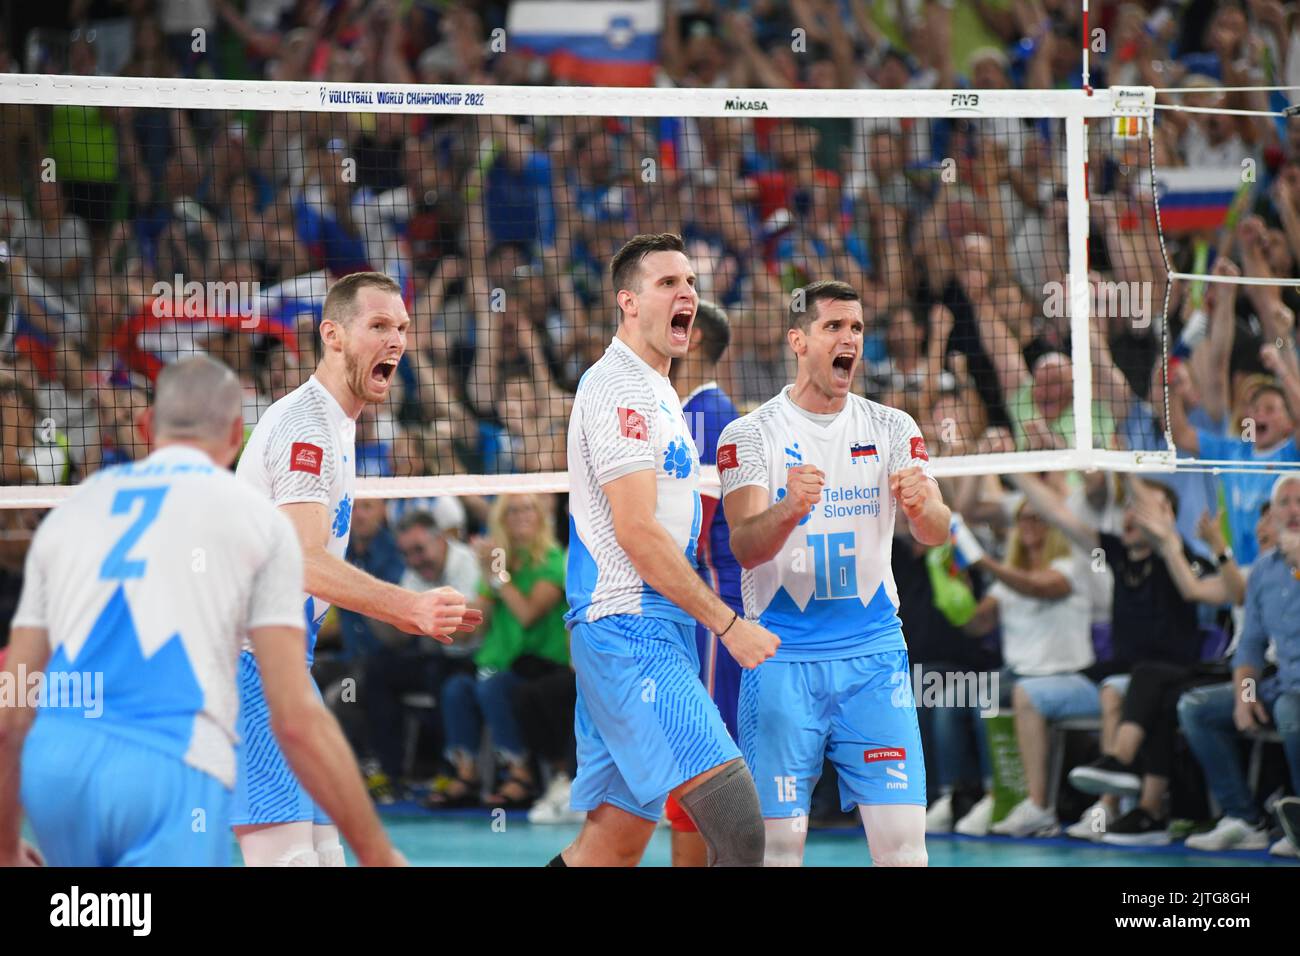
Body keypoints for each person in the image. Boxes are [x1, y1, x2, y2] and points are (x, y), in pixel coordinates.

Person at [0, 356, 402, 867]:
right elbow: (297, 717)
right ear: (237, 435)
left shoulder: (69, 515)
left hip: (59, 769)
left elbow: (11, 711)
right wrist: (376, 851)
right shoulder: (257, 525)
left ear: (146, 427)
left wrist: (6, 846)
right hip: (164, 769)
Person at [232, 272, 481, 867]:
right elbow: (301, 560)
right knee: (289, 858)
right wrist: (410, 607)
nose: (395, 340)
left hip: (285, 656)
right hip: (246, 658)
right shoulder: (307, 427)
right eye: (378, 326)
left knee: (325, 854)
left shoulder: (337, 425)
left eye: (401, 328)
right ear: (334, 336)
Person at [555, 233, 778, 868]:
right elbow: (636, 532)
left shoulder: (659, 393)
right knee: (737, 823)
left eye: (691, 284)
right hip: (629, 629)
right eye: (667, 284)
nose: (687, 294)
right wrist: (729, 624)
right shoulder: (621, 387)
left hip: (647, 627)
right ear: (628, 303)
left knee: (614, 843)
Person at [719, 279, 952, 866]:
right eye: (833, 328)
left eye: (856, 329)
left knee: (905, 849)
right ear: (798, 340)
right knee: (778, 846)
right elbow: (744, 546)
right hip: (781, 656)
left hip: (873, 658)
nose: (850, 339)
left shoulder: (894, 427)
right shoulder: (748, 435)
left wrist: (923, 507)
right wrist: (789, 508)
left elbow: (938, 530)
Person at [1178, 474, 1300, 856]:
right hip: (1282, 681)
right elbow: (1250, 644)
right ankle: (1244, 819)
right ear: (1273, 514)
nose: (1293, 510)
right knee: (1196, 708)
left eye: (1299, 501)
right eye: (1285, 503)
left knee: (1288, 710)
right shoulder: (1264, 570)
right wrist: (1244, 695)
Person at [665, 298, 744, 866]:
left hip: (719, 605)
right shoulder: (690, 411)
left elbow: (698, 528)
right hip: (705, 606)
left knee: (704, 758)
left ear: (692, 343)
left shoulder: (706, 415)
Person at [434, 493, 569, 810]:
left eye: (527, 508)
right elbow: (479, 622)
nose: (520, 515)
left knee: (492, 686)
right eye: (512, 510)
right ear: (501, 519)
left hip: (540, 664)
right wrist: (446, 617)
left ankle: (521, 772)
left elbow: (527, 613)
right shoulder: (499, 560)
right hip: (501, 662)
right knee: (456, 688)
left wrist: (497, 577)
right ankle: (466, 772)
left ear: (540, 516)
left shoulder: (552, 559)